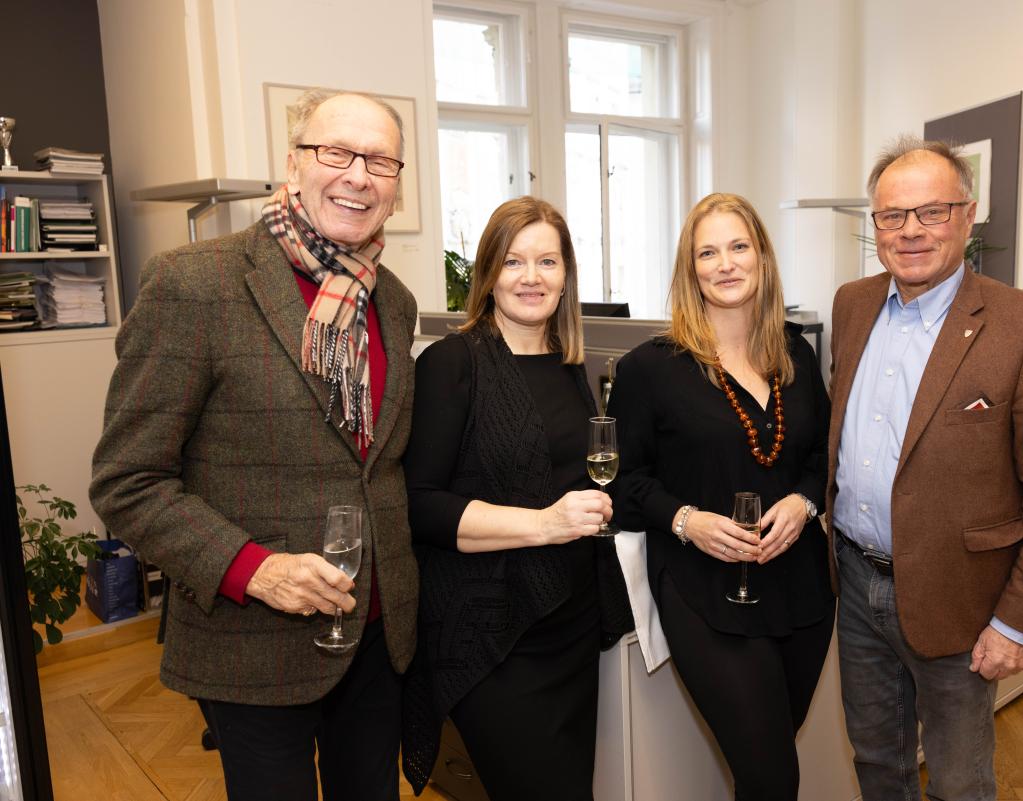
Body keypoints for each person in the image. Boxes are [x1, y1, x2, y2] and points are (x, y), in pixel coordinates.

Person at [90, 90, 419, 801]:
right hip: (253, 640)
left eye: (380, 161)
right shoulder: (193, 283)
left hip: (376, 633)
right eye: (337, 152)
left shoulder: (392, 300)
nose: (358, 175)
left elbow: (375, 467)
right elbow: (128, 481)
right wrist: (257, 570)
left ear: (396, 185)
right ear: (294, 164)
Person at [826, 136, 1023, 801]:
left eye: (932, 211)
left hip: (961, 599)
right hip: (856, 583)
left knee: (958, 780)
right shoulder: (853, 304)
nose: (910, 230)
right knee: (877, 761)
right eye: (893, 215)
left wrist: (1019, 622)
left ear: (968, 216)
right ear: (876, 224)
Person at [400, 196, 633, 800]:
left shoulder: (567, 363)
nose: (532, 277)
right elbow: (420, 505)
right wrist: (544, 524)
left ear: (566, 275)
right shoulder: (452, 363)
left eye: (547, 262)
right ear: (488, 273)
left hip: (570, 623)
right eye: (513, 261)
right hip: (494, 634)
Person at [607, 192, 835, 800]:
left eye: (739, 247)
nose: (726, 264)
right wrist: (688, 521)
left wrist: (804, 503)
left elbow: (822, 457)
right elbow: (623, 482)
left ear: (762, 257)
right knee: (772, 776)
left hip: (801, 588)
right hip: (703, 589)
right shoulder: (649, 369)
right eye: (708, 253)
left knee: (767, 764)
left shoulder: (796, 353)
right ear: (690, 268)